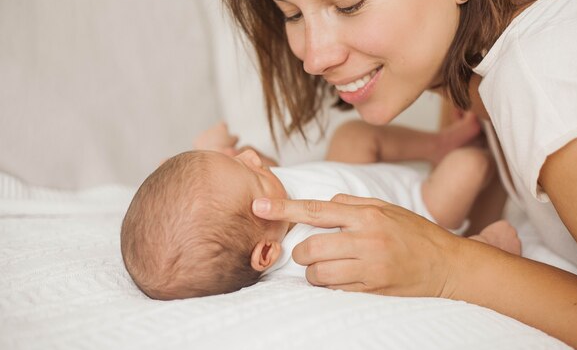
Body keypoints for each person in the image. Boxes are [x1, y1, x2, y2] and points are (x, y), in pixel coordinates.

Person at [219, 0, 577, 350]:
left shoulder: (551, 78)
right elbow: (469, 216)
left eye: (349, 3)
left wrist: (445, 264)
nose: (314, 57)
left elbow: (449, 249)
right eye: (291, 13)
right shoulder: (472, 55)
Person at [120, 120, 520, 299]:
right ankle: (480, 239)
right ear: (266, 253)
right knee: (470, 167)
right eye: (253, 176)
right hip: (419, 206)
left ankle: (437, 143)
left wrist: (213, 153)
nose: (252, 159)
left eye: (240, 160)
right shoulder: (311, 253)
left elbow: (246, 168)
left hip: (349, 172)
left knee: (351, 134)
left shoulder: (248, 203)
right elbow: (385, 264)